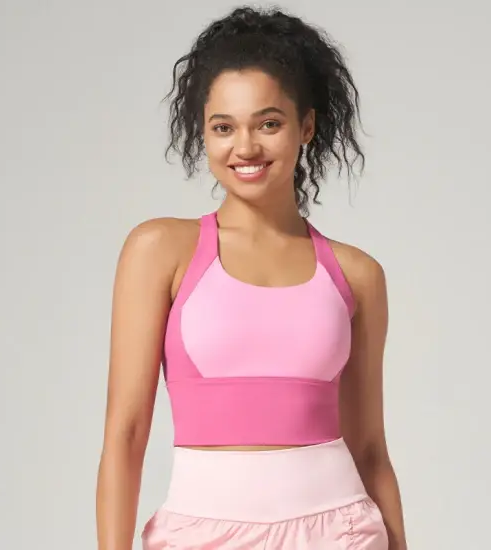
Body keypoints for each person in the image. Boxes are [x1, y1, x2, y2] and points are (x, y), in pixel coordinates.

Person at [96, 6, 407, 550]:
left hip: (340, 534)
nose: (244, 147)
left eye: (268, 123)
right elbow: (125, 436)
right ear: (204, 133)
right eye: (223, 127)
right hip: (201, 534)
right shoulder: (160, 250)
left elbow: (370, 450)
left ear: (306, 126)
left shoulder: (357, 275)